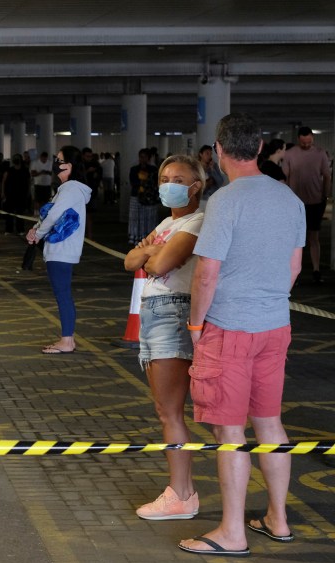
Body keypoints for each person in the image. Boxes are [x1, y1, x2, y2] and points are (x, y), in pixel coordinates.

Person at [178, 113, 304, 558]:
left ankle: (233, 532)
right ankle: (278, 518)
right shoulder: (289, 199)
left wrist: (196, 326)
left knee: (229, 431)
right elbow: (294, 267)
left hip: (230, 328)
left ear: (217, 150)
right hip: (276, 326)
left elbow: (206, 274)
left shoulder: (226, 202)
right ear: (260, 145)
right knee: (270, 423)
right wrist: (266, 301)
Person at [124, 154, 206, 520]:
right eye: (164, 177)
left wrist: (151, 252)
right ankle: (182, 492)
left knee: (170, 411)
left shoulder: (198, 221)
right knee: (165, 410)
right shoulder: (165, 223)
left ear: (196, 185)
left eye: (178, 178)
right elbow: (129, 261)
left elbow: (156, 265)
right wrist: (150, 252)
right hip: (156, 313)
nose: (168, 184)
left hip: (173, 311)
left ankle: (182, 495)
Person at [26, 145, 90, 354]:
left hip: (62, 249)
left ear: (69, 165)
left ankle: (67, 340)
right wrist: (35, 229)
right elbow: (50, 215)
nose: (55, 163)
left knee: (62, 294)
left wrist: (38, 233)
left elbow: (53, 216)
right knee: (62, 293)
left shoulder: (71, 189)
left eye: (59, 160)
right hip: (60, 248)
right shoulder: (68, 189)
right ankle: (66, 338)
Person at [283, 126, 332, 284]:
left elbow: (327, 175)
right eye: (303, 142)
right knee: (296, 239)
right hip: (294, 203)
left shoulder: (320, 153)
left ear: (313, 138)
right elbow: (285, 176)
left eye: (309, 142)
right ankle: (294, 272)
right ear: (298, 139)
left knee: (314, 236)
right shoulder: (290, 154)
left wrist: (326, 195)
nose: (306, 145)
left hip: (315, 201)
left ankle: (316, 270)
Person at [128, 148, 160, 244]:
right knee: (136, 218)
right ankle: (136, 238)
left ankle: (149, 238)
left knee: (149, 219)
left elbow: (156, 184)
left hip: (150, 199)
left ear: (149, 158)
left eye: (144, 157)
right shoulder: (134, 169)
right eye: (140, 157)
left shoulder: (154, 170)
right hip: (136, 197)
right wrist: (142, 182)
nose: (142, 159)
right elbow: (133, 182)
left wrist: (145, 183)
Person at [1, 154, 31, 235]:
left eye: (17, 159)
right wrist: (3, 193)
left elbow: (28, 182)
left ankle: (20, 229)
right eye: (15, 159)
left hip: (22, 195)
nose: (16, 160)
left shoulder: (25, 170)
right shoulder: (9, 170)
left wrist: (28, 192)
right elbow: (3, 181)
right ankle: (8, 229)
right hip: (10, 195)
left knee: (20, 213)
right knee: (9, 213)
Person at [198, 144, 225, 209]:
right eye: (207, 153)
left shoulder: (214, 166)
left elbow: (220, 182)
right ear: (201, 154)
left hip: (214, 198)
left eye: (211, 154)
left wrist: (213, 170)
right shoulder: (196, 167)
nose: (209, 156)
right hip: (201, 200)